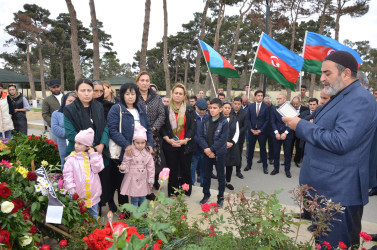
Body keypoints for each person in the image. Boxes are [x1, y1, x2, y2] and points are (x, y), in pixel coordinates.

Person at [282, 51, 377, 248]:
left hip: (339, 191)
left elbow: (341, 141)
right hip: (326, 188)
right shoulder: (340, 95)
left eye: (327, 73)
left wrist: (300, 126)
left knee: (333, 245)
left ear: (346, 73)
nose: (322, 78)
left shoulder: (359, 99)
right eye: (322, 73)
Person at [64, 78, 110, 215]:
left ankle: (97, 218)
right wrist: (90, 147)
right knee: (81, 189)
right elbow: (71, 134)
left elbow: (105, 127)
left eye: (89, 90)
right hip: (79, 154)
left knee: (98, 186)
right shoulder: (70, 110)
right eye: (82, 90)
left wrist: (102, 144)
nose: (86, 94)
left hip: (98, 153)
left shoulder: (98, 106)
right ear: (76, 92)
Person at [108, 83, 154, 207]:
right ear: (122, 95)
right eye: (127, 94)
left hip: (140, 151)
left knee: (138, 180)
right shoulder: (116, 108)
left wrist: (150, 143)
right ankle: (125, 210)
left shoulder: (140, 108)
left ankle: (139, 208)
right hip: (123, 152)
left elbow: (148, 128)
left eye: (133, 94)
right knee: (122, 182)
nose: (130, 97)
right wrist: (126, 145)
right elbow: (112, 130)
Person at [160, 83, 196, 197]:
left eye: (181, 93)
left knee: (186, 169)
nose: (178, 95)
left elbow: (192, 127)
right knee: (172, 170)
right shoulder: (165, 109)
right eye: (176, 93)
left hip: (185, 145)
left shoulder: (189, 109)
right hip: (170, 145)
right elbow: (162, 127)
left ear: (184, 96)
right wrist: (168, 140)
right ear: (172, 94)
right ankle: (173, 191)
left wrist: (185, 140)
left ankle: (186, 191)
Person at [63, 128, 104, 219]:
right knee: (80, 219)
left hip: (93, 197)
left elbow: (97, 168)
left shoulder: (94, 157)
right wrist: (71, 190)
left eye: (80, 144)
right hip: (79, 197)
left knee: (94, 217)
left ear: (88, 146)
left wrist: (93, 155)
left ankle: (94, 232)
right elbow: (67, 176)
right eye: (76, 143)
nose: (76, 146)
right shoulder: (71, 159)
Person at [136, 71, 165, 197]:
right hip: (137, 137)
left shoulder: (156, 98)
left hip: (153, 136)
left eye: (147, 80)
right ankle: (140, 190)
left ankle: (149, 189)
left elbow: (162, 114)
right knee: (139, 165)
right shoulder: (133, 96)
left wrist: (152, 129)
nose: (144, 83)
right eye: (142, 80)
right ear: (137, 82)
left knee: (151, 164)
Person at [199, 98, 229, 206]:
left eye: (215, 108)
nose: (212, 110)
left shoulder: (224, 122)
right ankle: (206, 195)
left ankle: (220, 197)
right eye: (210, 108)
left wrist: (211, 149)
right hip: (207, 153)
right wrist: (206, 149)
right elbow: (201, 135)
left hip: (219, 153)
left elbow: (223, 139)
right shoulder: (205, 119)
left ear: (220, 109)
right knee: (206, 175)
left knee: (221, 176)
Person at [118, 125, 155, 208]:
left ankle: (143, 214)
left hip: (143, 178)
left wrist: (151, 180)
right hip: (133, 178)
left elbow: (151, 167)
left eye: (143, 143)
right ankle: (135, 216)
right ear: (133, 142)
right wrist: (123, 167)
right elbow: (126, 162)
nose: (140, 145)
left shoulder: (147, 152)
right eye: (137, 143)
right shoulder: (130, 151)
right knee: (134, 199)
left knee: (143, 198)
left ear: (146, 142)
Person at [245, 90, 270, 174]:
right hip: (251, 131)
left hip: (262, 132)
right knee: (250, 149)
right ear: (255, 97)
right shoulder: (250, 106)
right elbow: (248, 119)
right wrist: (251, 129)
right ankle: (248, 165)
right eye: (258, 95)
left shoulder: (266, 107)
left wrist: (260, 130)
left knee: (263, 149)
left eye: (261, 95)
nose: (260, 97)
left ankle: (265, 167)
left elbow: (267, 120)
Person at [270, 94, 294, 178]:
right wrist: (276, 132)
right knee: (276, 153)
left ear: (285, 99)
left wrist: (285, 133)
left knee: (287, 154)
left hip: (287, 135)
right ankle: (276, 169)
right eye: (277, 98)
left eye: (280, 98)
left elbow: (292, 122)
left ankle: (287, 170)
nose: (278, 100)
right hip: (277, 135)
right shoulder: (274, 109)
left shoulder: (290, 109)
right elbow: (273, 122)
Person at [51, 92, 77, 165]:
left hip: (77, 143)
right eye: (70, 101)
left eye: (74, 101)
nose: (71, 103)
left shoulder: (79, 114)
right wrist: (70, 133)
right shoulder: (56, 114)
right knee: (65, 162)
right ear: (65, 101)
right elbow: (55, 128)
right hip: (63, 142)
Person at [190, 99, 208, 186]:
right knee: (192, 169)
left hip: (205, 149)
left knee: (204, 169)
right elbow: (191, 133)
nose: (202, 112)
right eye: (200, 109)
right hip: (194, 149)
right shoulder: (191, 116)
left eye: (204, 110)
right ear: (196, 107)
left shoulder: (208, 117)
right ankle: (191, 184)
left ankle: (203, 186)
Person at [223, 101, 239, 191]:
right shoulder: (219, 119)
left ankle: (228, 182)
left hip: (231, 145)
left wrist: (232, 142)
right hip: (221, 145)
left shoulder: (234, 118)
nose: (227, 109)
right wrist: (224, 142)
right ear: (222, 109)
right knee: (221, 164)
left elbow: (237, 132)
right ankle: (221, 181)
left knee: (229, 164)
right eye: (225, 107)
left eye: (229, 108)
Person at [42, 79, 63, 143]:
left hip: (67, 127)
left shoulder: (67, 97)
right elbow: (45, 114)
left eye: (57, 87)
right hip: (54, 128)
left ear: (60, 86)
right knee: (55, 147)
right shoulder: (47, 100)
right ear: (49, 88)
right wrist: (54, 123)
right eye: (54, 87)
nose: (56, 89)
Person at [232, 97, 247, 179]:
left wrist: (237, 134)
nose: (237, 105)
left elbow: (245, 126)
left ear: (241, 104)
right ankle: (227, 170)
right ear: (232, 103)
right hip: (229, 138)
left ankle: (238, 171)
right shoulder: (229, 112)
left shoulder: (244, 113)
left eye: (238, 104)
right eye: (235, 104)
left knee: (238, 155)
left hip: (240, 138)